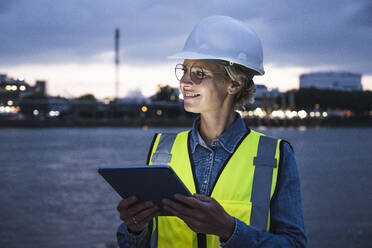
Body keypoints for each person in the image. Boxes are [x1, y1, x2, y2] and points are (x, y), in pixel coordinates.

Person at [116, 16, 307, 247]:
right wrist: (135, 229)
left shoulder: (275, 156)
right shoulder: (162, 149)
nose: (184, 82)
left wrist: (228, 229)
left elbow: (295, 244)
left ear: (234, 84)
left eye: (199, 73)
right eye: (184, 70)